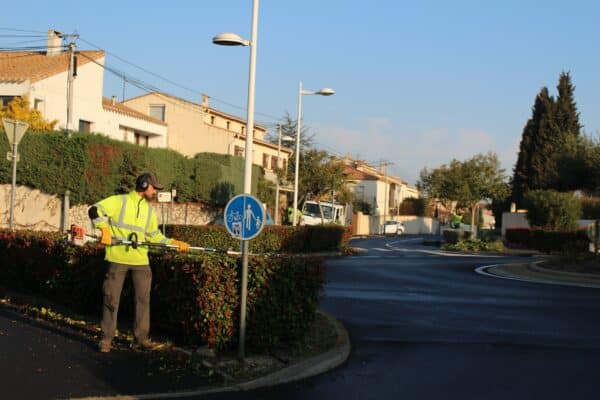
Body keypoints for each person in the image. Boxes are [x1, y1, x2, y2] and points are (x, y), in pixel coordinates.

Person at [88, 172, 190, 353]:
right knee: (111, 299)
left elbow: (154, 235)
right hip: (117, 258)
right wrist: (104, 229)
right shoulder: (119, 201)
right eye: (153, 188)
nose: (155, 192)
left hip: (141, 261)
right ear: (143, 185)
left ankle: (141, 339)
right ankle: (106, 339)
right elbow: (94, 210)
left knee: (143, 300)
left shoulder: (149, 210)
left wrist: (173, 242)